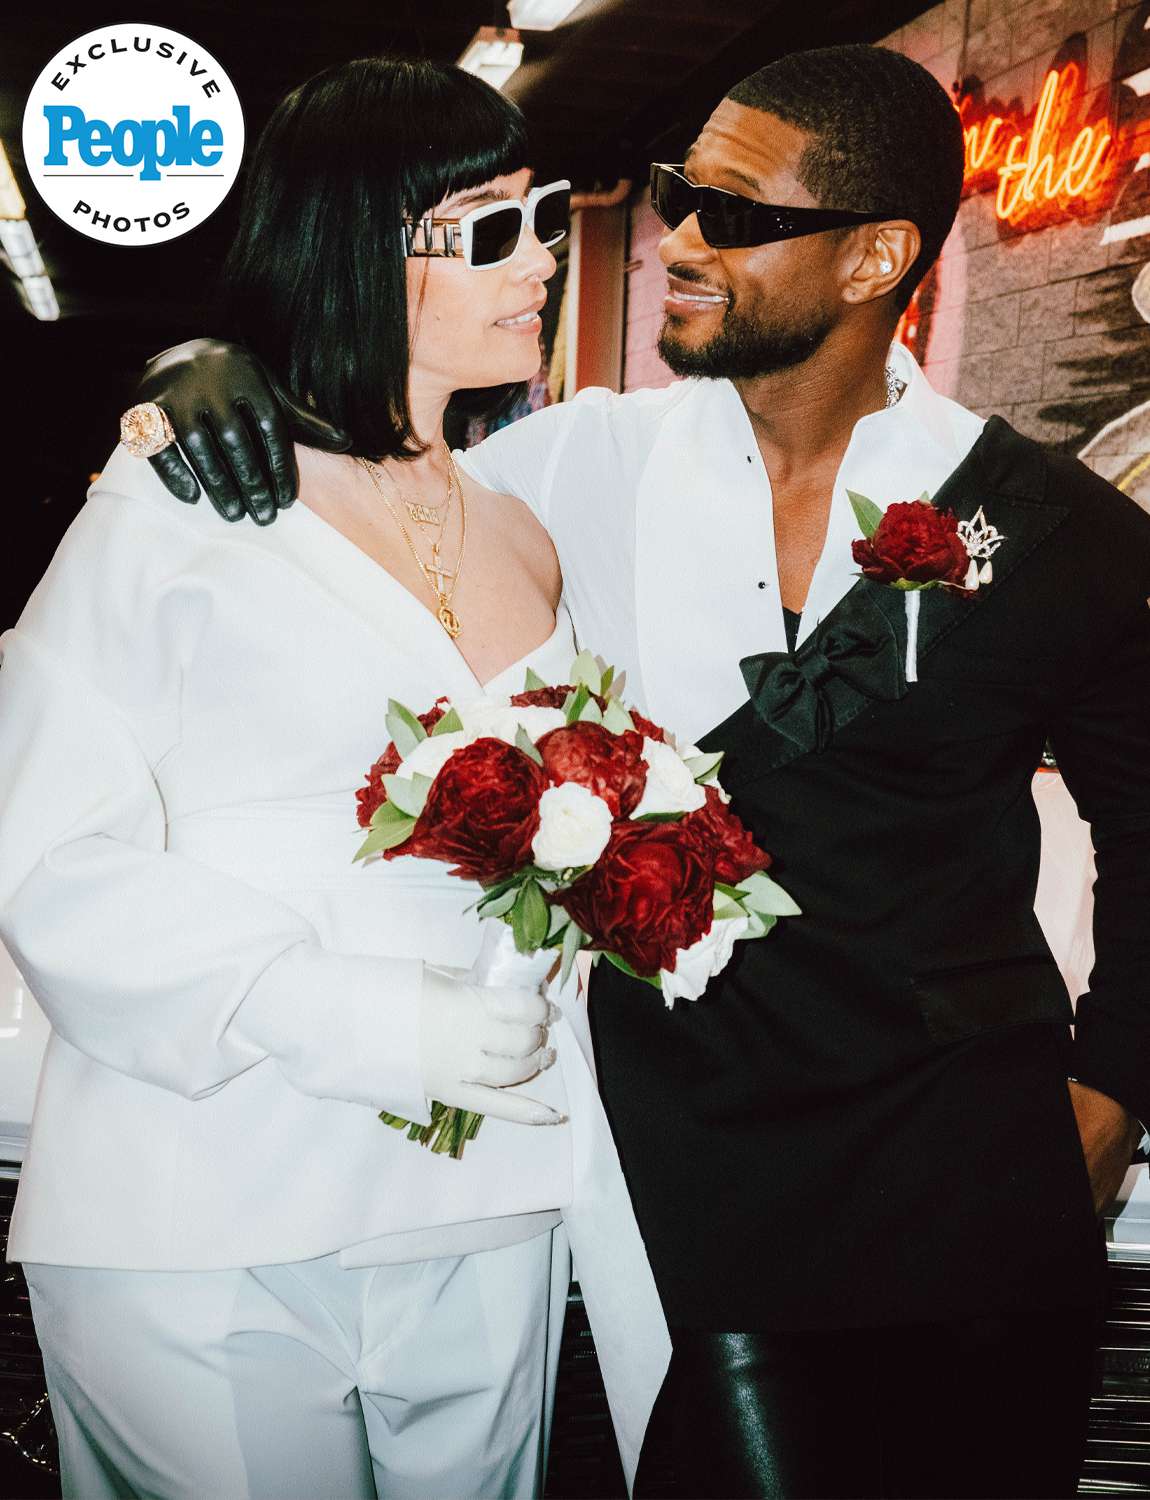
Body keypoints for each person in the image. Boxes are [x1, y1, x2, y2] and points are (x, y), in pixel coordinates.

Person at [114, 43, 1150, 1500]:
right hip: (682, 1164)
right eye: (678, 195)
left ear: (874, 260)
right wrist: (193, 376)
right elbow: (351, 487)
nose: (677, 240)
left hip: (962, 1173)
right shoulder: (572, 468)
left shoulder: (1049, 528)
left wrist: (1114, 1086)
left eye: (735, 213)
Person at [0, 56, 669, 1500]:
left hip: (486, 1187)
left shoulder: (523, 530)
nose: (542, 260)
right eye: (493, 228)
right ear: (362, 244)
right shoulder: (183, 500)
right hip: (207, 1192)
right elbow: (43, 850)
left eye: (545, 213)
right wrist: (349, 1013)